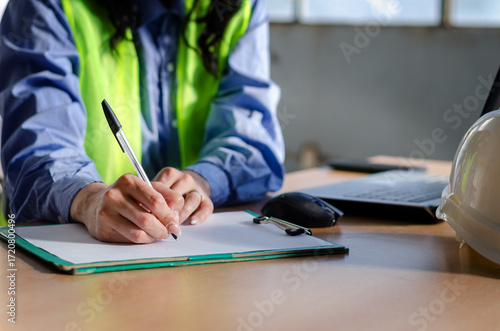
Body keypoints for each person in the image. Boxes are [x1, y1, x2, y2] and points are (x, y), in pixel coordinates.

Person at [0, 0, 284, 243]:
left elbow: (255, 139)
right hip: (60, 264)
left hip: (195, 262)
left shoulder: (240, 6)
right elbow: (36, 143)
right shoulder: (46, 5)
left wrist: (204, 179)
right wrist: (87, 199)